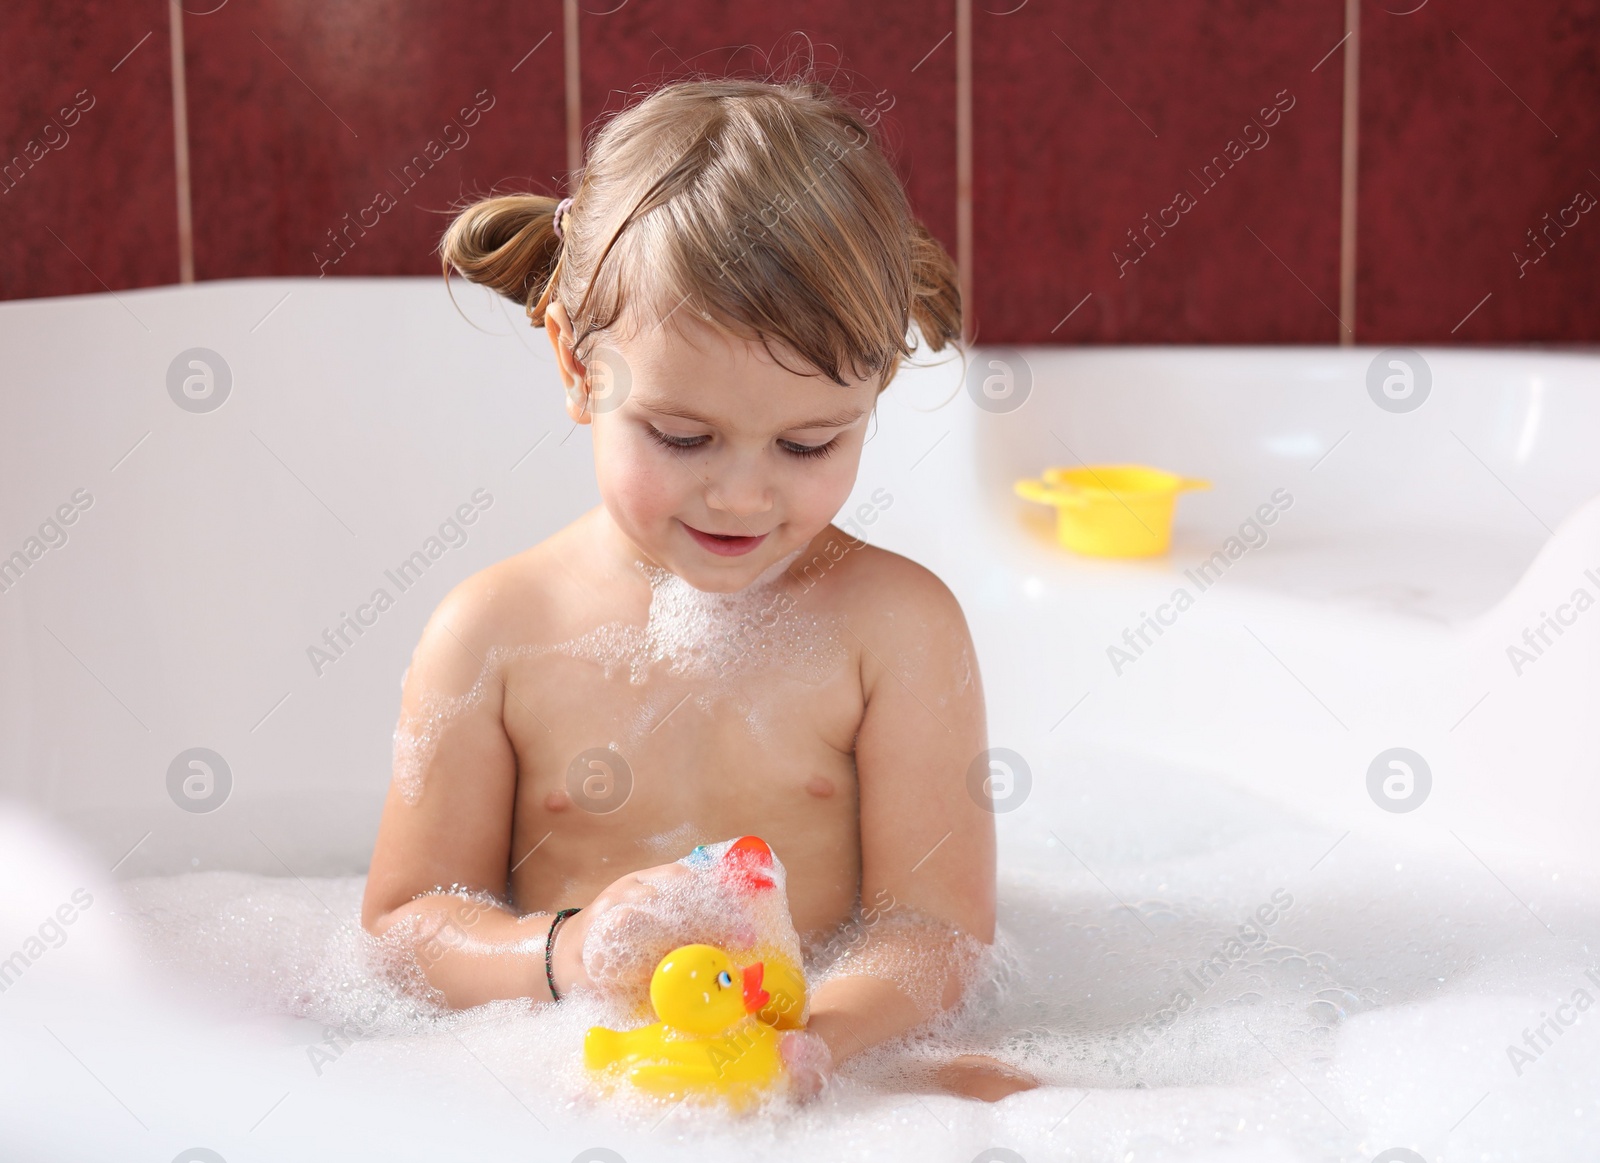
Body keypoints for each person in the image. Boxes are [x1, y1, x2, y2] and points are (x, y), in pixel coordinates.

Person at [360, 73, 1036, 1103]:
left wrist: (816, 1036)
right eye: (682, 436)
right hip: (565, 1074)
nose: (742, 492)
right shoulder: (493, 633)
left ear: (873, 395)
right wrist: (568, 953)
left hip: (825, 1063)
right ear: (577, 367)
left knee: (1019, 1095)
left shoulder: (895, 629)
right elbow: (407, 928)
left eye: (810, 441)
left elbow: (934, 929)